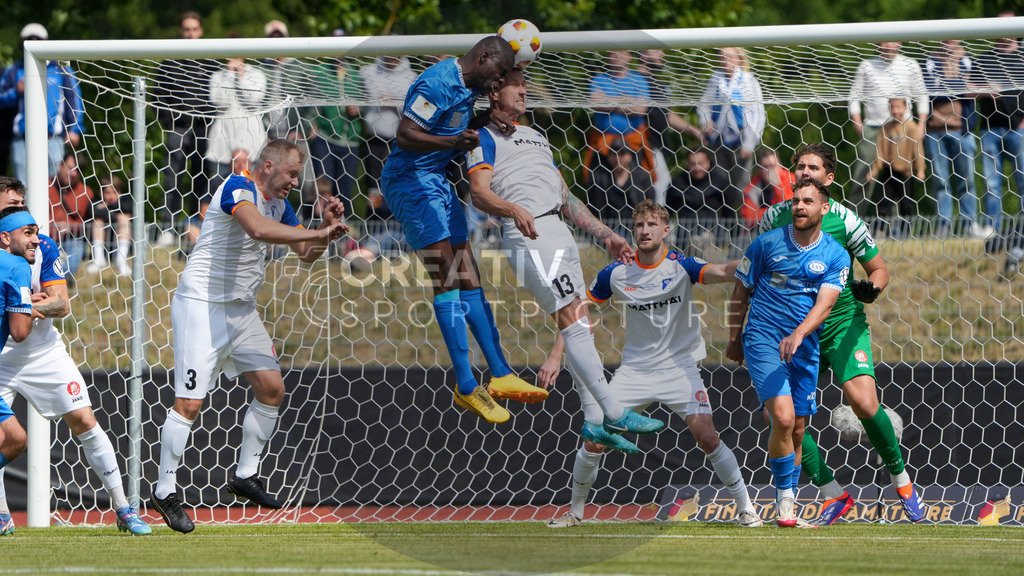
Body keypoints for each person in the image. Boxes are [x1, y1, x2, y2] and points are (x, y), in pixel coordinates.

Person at [150, 140, 349, 534]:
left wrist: (326, 229)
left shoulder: (283, 205)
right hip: (201, 307)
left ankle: (246, 475)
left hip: (241, 311)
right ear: (269, 165)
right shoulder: (237, 187)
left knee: (272, 389)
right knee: (189, 405)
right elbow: (257, 229)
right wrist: (316, 230)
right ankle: (165, 490)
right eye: (292, 173)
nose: (296, 181)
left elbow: (306, 253)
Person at [466, 68, 665, 451]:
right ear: (494, 93)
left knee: (581, 324)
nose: (524, 92)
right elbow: (478, 193)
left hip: (559, 230)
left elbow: (565, 195)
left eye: (525, 85)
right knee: (573, 319)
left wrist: (605, 234)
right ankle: (613, 410)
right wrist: (512, 210)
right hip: (530, 234)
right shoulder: (483, 137)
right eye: (516, 86)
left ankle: (593, 420)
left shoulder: (536, 135)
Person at [543, 200, 759, 528]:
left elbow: (722, 272)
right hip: (635, 371)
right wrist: (556, 354)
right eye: (639, 225)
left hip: (680, 368)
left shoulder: (682, 266)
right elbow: (576, 314)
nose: (645, 230)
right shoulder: (615, 273)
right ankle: (574, 512)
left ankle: (746, 508)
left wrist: (752, 261)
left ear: (665, 230)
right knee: (595, 438)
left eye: (652, 224)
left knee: (707, 437)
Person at [380, 37, 548, 425]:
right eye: (500, 74)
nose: (499, 83)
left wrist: (483, 122)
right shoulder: (435, 82)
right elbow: (405, 135)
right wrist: (454, 141)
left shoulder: (471, 89)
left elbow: (453, 128)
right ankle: (467, 384)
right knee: (447, 278)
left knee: (469, 275)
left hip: (436, 180)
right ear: (484, 57)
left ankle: (501, 373)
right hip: (409, 181)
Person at [757, 143, 925, 525]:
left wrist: (874, 287)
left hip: (840, 323)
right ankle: (834, 494)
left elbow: (879, 269)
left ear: (828, 178)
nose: (805, 172)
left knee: (864, 403)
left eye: (813, 167)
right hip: (794, 330)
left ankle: (903, 483)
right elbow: (755, 271)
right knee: (784, 421)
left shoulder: (846, 220)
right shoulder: (773, 219)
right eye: (800, 166)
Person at [0, 187, 150, 536]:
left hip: (43, 353)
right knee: (8, 437)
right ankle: (3, 513)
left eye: (21, 205)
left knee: (84, 419)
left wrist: (26, 308)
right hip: (3, 358)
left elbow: (61, 303)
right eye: (10, 206)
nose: (19, 210)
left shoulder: (43, 247)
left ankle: (124, 508)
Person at [728, 178, 851, 528]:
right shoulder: (766, 244)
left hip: (803, 345)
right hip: (764, 337)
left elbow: (825, 305)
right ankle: (783, 503)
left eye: (808, 201)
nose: (799, 206)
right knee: (781, 418)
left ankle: (789, 502)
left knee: (797, 428)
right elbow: (741, 289)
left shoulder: (835, 255)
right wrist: (735, 334)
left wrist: (799, 333)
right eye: (795, 200)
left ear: (823, 208)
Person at [152, 11, 219, 246]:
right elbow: (157, 96)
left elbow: (220, 94)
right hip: (178, 128)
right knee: (173, 178)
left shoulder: (211, 60)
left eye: (194, 29)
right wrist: (170, 122)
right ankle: (168, 228)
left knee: (202, 179)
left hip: (204, 129)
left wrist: (211, 123)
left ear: (201, 31)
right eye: (186, 29)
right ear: (181, 31)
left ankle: (195, 226)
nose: (190, 33)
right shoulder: (170, 60)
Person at [847, 42, 928, 212]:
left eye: (891, 41)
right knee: (864, 177)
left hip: (902, 130)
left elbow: (921, 96)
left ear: (898, 43)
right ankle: (854, 220)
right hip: (872, 129)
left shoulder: (910, 64)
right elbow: (854, 96)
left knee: (899, 177)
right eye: (883, 41)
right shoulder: (867, 66)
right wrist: (858, 125)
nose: (887, 46)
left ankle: (895, 228)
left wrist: (921, 123)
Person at [0, 23, 84, 183]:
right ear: (22, 42)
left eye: (37, 39)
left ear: (46, 41)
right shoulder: (14, 70)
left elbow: (74, 101)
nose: (34, 41)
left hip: (54, 138)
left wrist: (75, 129)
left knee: (52, 187)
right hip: (22, 139)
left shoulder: (61, 69)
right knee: (22, 186)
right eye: (29, 39)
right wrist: (16, 91)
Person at [970, 12, 1024, 236]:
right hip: (990, 129)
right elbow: (967, 89)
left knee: (1023, 180)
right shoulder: (984, 58)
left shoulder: (1023, 56)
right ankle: (993, 228)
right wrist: (986, 92)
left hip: (1019, 128)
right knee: (992, 183)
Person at [923, 39, 982, 237]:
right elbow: (929, 91)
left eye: (952, 39)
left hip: (962, 130)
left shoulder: (968, 61)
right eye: (945, 39)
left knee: (967, 180)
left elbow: (974, 90)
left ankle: (970, 225)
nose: (949, 43)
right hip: (934, 131)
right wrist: (959, 84)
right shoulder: (930, 62)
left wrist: (951, 84)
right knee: (940, 181)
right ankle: (943, 225)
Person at [0, 203, 35, 536]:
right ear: (4, 237)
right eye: (28, 233)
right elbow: (20, 333)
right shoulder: (16, 267)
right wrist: (31, 309)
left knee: (14, 437)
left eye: (37, 232)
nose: (36, 239)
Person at [697, 47, 766, 197]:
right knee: (720, 182)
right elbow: (704, 105)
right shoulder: (715, 80)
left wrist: (750, 143)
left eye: (729, 57)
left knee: (742, 184)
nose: (725, 61)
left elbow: (758, 113)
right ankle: (724, 218)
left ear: (739, 59)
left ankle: (744, 218)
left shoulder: (749, 80)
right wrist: (705, 121)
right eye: (722, 57)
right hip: (719, 137)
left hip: (742, 136)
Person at [637, 49, 702, 204]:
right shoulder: (635, 81)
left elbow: (668, 115)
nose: (662, 54)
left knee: (661, 183)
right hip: (641, 145)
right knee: (659, 183)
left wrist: (694, 131)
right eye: (656, 50)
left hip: (657, 146)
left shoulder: (658, 83)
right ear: (643, 54)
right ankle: (656, 222)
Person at [584, 50, 657, 186]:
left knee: (637, 185)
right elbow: (595, 103)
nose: (617, 55)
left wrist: (609, 101)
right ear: (607, 57)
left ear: (629, 56)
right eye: (612, 53)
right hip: (604, 144)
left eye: (621, 52)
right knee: (599, 185)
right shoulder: (599, 79)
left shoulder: (639, 79)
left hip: (633, 143)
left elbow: (641, 109)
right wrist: (626, 101)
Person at [869, 98, 925, 237]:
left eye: (898, 107)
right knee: (883, 201)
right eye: (892, 108)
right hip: (889, 171)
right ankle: (880, 230)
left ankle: (905, 232)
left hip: (906, 172)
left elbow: (917, 150)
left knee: (906, 204)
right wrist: (875, 170)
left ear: (905, 107)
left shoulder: (911, 127)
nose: (895, 111)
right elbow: (880, 151)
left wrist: (920, 169)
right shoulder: (886, 128)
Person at [587, 139, 652, 239]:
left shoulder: (642, 176)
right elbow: (595, 207)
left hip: (636, 228)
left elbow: (650, 204)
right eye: (613, 154)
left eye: (622, 154)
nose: (617, 158)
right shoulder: (600, 178)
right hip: (608, 229)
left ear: (630, 156)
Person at [665, 148, 732, 246]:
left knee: (707, 241)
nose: (697, 168)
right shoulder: (677, 183)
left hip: (713, 231)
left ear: (708, 163)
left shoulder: (719, 182)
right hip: (685, 235)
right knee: (693, 245)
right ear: (687, 164)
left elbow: (729, 212)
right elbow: (667, 213)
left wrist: (734, 237)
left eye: (701, 163)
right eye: (693, 164)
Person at [48, 151, 92, 276]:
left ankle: (62, 280)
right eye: (70, 168)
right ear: (61, 165)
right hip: (46, 238)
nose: (73, 173)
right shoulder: (44, 186)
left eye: (77, 171)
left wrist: (70, 225)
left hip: (71, 239)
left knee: (77, 249)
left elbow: (89, 225)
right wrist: (53, 225)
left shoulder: (85, 192)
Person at [86, 174, 131, 276]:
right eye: (108, 193)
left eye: (115, 192)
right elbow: (93, 212)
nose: (112, 196)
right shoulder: (95, 201)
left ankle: (121, 260)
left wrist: (106, 207)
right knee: (98, 221)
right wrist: (113, 213)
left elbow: (129, 209)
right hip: (102, 244)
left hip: (120, 244)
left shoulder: (125, 201)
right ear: (100, 192)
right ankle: (98, 259)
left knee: (123, 218)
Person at [740, 149, 794, 229]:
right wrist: (774, 214)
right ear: (759, 169)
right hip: (758, 231)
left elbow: (787, 211)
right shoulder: (753, 185)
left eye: (772, 166)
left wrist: (777, 187)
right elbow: (748, 216)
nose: (769, 170)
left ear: (780, 165)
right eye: (765, 167)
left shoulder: (791, 181)